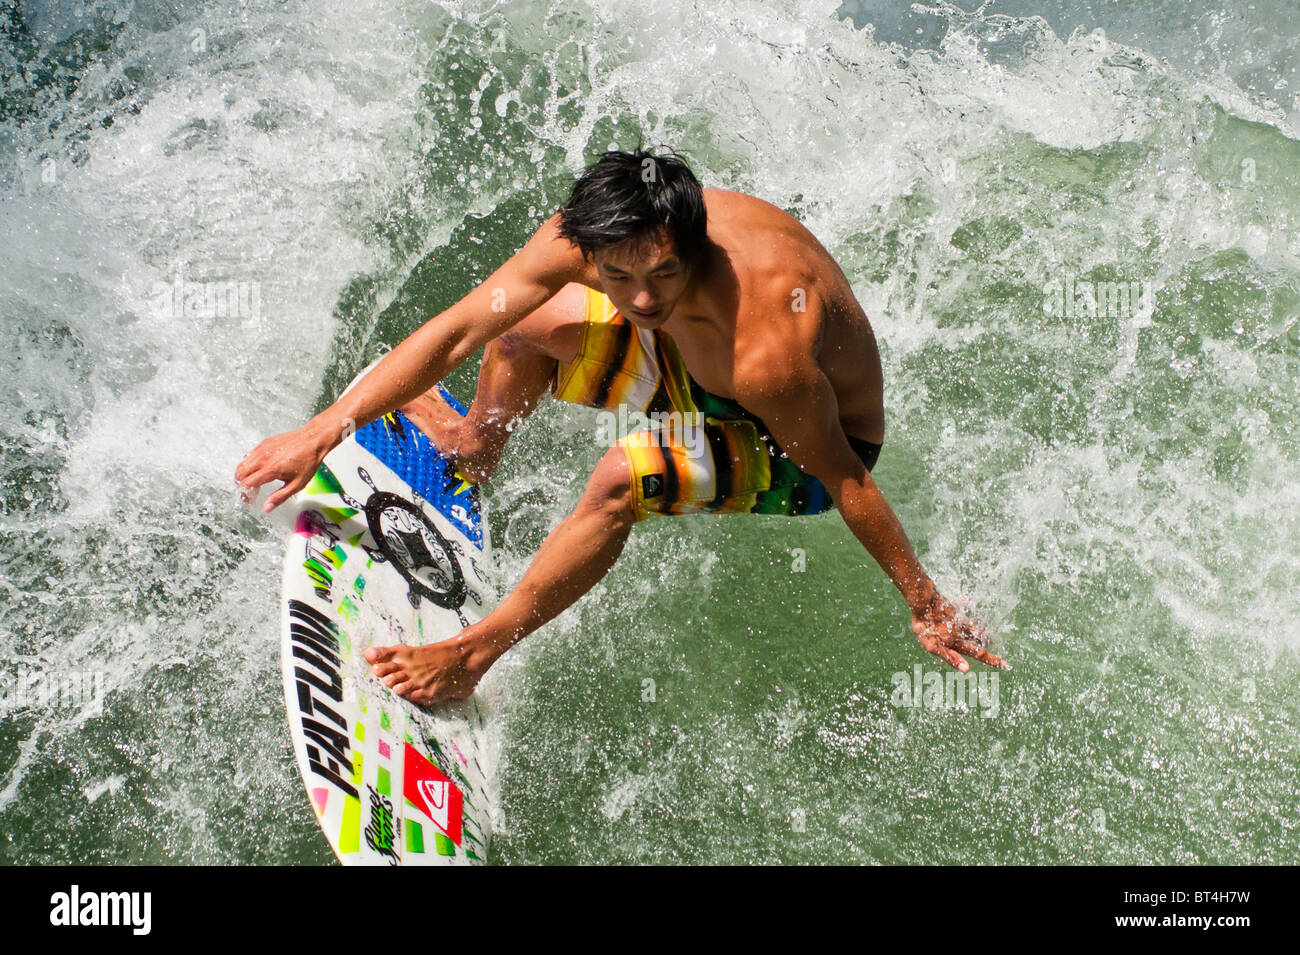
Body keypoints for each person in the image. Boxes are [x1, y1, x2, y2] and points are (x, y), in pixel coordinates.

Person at [235, 147, 1004, 704]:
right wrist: (325, 429)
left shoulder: (765, 343)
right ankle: (473, 451)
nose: (638, 298)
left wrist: (924, 601)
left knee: (620, 477)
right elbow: (460, 329)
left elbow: (846, 476)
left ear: (693, 245)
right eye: (618, 277)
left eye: (662, 272)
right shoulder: (593, 239)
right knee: (519, 324)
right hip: (695, 360)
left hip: (793, 441)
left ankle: (472, 655)